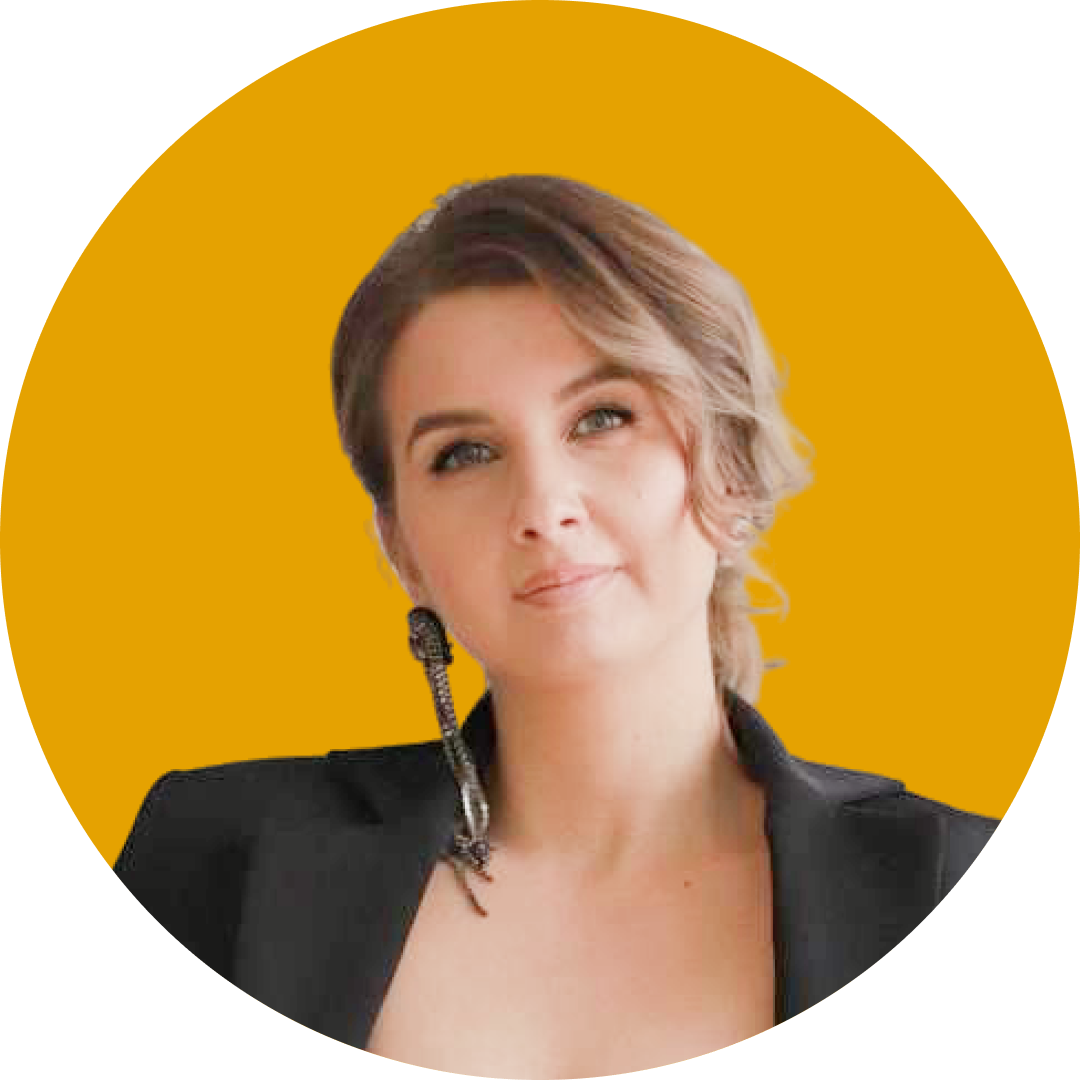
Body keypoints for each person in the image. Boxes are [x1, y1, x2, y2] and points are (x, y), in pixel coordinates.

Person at [114, 175, 1000, 1073]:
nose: (542, 507)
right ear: (401, 545)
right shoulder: (217, 858)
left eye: (602, 418)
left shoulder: (942, 881)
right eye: (465, 453)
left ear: (728, 465)